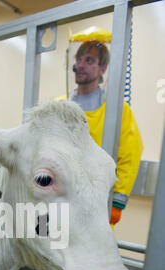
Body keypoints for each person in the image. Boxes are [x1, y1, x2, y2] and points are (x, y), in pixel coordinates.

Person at [56, 39, 143, 226]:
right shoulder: (58, 105)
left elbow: (130, 155)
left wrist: (117, 201)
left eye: (89, 61)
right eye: (79, 59)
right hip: (58, 201)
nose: (80, 65)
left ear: (103, 69)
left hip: (97, 206)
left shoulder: (117, 109)